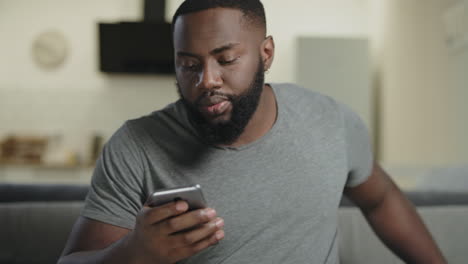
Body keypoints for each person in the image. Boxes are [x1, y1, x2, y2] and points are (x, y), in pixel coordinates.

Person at [58, 0, 447, 263]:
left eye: (225, 59)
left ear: (266, 54)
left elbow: (380, 198)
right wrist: (134, 253)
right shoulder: (135, 147)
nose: (206, 80)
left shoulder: (330, 120)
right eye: (188, 64)